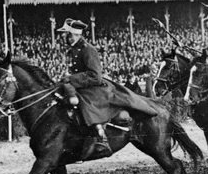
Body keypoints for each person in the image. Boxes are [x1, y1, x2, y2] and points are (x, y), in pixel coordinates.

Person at [58, 17, 158, 159]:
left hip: (94, 87)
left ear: (72, 34)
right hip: (80, 86)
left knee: (87, 102)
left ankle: (101, 136)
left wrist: (71, 78)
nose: (62, 36)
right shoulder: (73, 50)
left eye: (64, 33)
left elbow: (95, 76)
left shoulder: (88, 50)